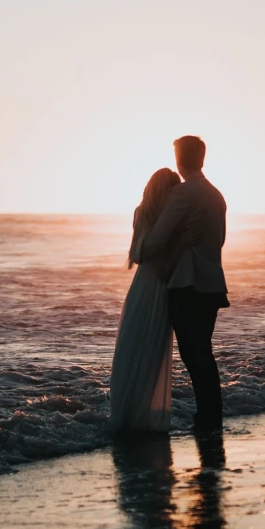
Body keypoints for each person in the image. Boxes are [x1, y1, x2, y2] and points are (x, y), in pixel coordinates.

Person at [140, 135, 229, 432]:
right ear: (202, 159)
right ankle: (210, 416)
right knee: (203, 353)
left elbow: (155, 242)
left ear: (179, 159)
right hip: (213, 285)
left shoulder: (183, 194)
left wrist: (142, 240)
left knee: (195, 356)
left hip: (186, 286)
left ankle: (207, 420)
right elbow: (222, 240)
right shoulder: (217, 195)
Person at [109, 168, 181, 432]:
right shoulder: (145, 214)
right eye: (172, 189)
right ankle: (127, 413)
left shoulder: (174, 217)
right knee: (134, 346)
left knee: (151, 350)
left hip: (159, 286)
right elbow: (137, 254)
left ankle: (140, 414)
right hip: (149, 286)